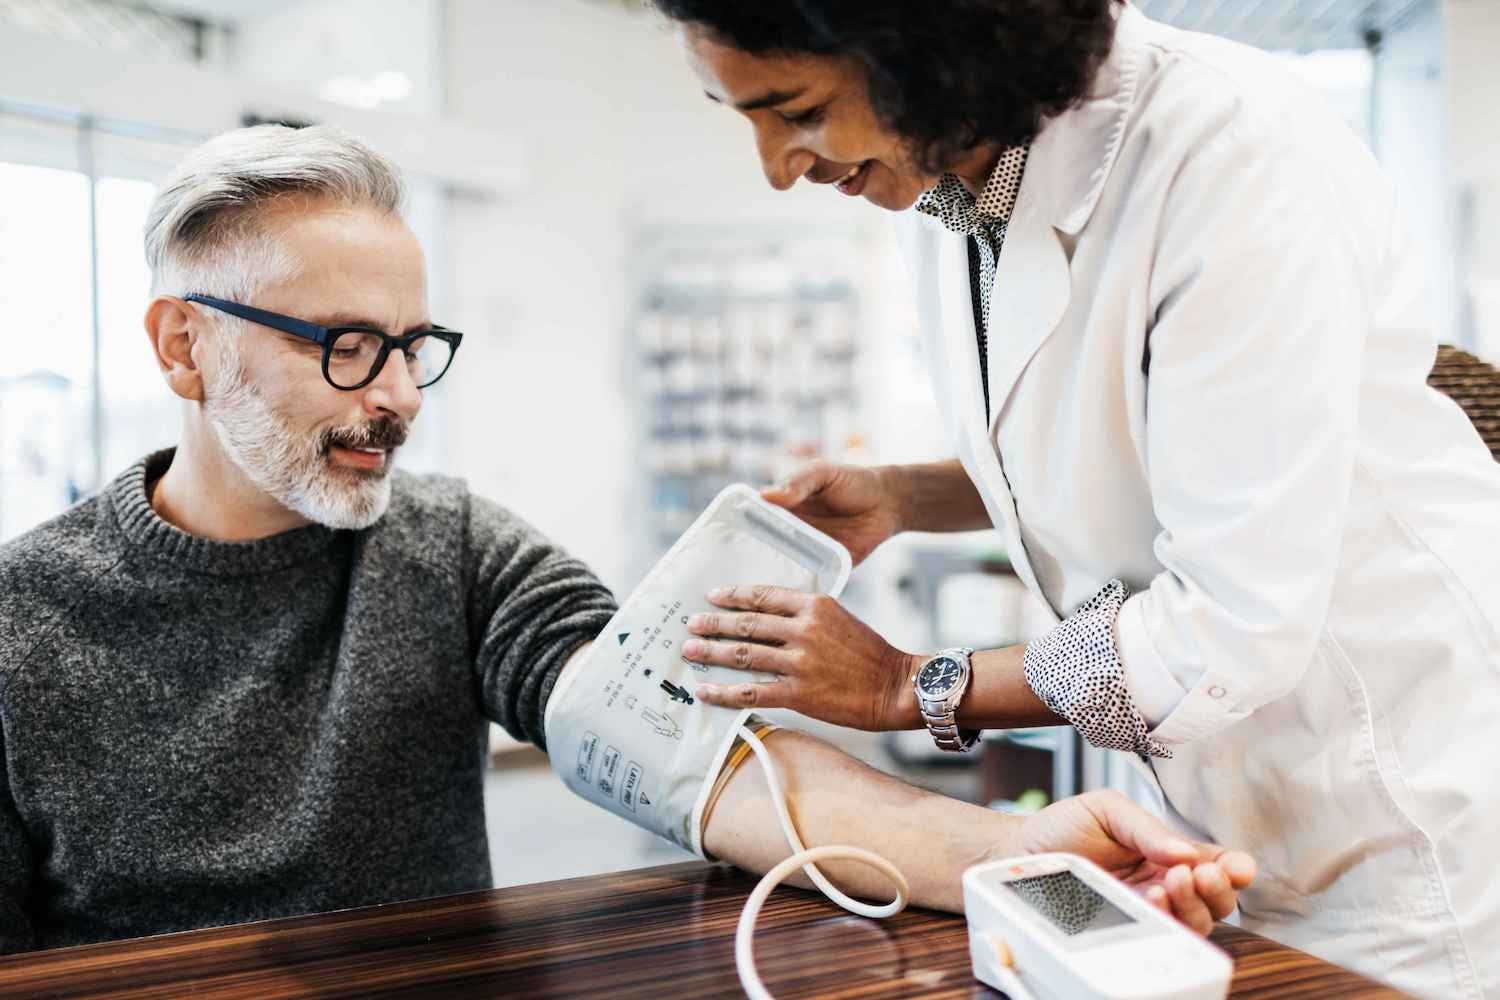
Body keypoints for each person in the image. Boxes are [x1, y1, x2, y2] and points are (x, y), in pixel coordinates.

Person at [0, 124, 1254, 955]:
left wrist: (1002, 848)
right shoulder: (25, 619)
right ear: (182, 344)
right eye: (345, 345)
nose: (397, 395)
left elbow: (692, 754)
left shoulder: (451, 549)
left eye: (412, 347)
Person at [656, 1, 1500, 996]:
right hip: (1223, 805)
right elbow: (1113, 440)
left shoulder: (1232, 154)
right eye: (740, 115)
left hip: (1405, 808)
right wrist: (904, 496)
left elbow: (1232, 622)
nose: (776, 166)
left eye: (795, 110)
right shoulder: (949, 186)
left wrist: (914, 686)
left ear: (930, 45)